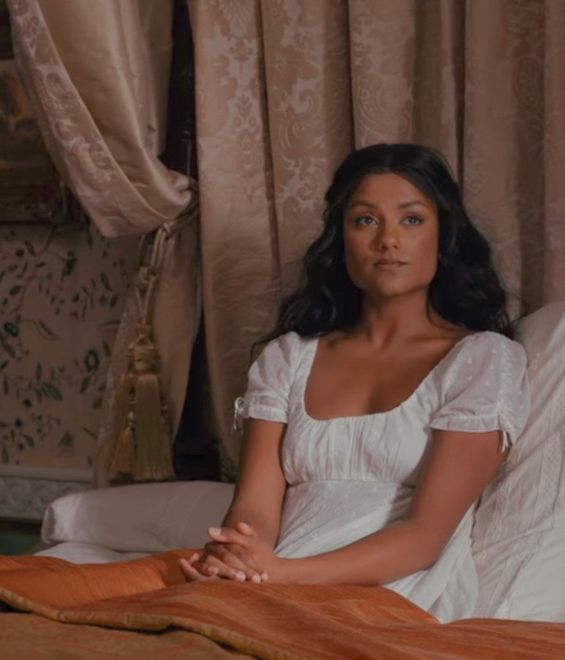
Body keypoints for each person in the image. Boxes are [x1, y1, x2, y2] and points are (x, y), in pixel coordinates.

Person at [180, 143, 529, 622]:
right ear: (341, 237)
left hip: (396, 597)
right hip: (272, 583)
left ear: (444, 235)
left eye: (411, 220)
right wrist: (240, 562)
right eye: (365, 220)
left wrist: (283, 574)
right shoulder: (288, 358)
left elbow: (425, 536)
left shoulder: (482, 360)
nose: (388, 240)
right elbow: (255, 509)